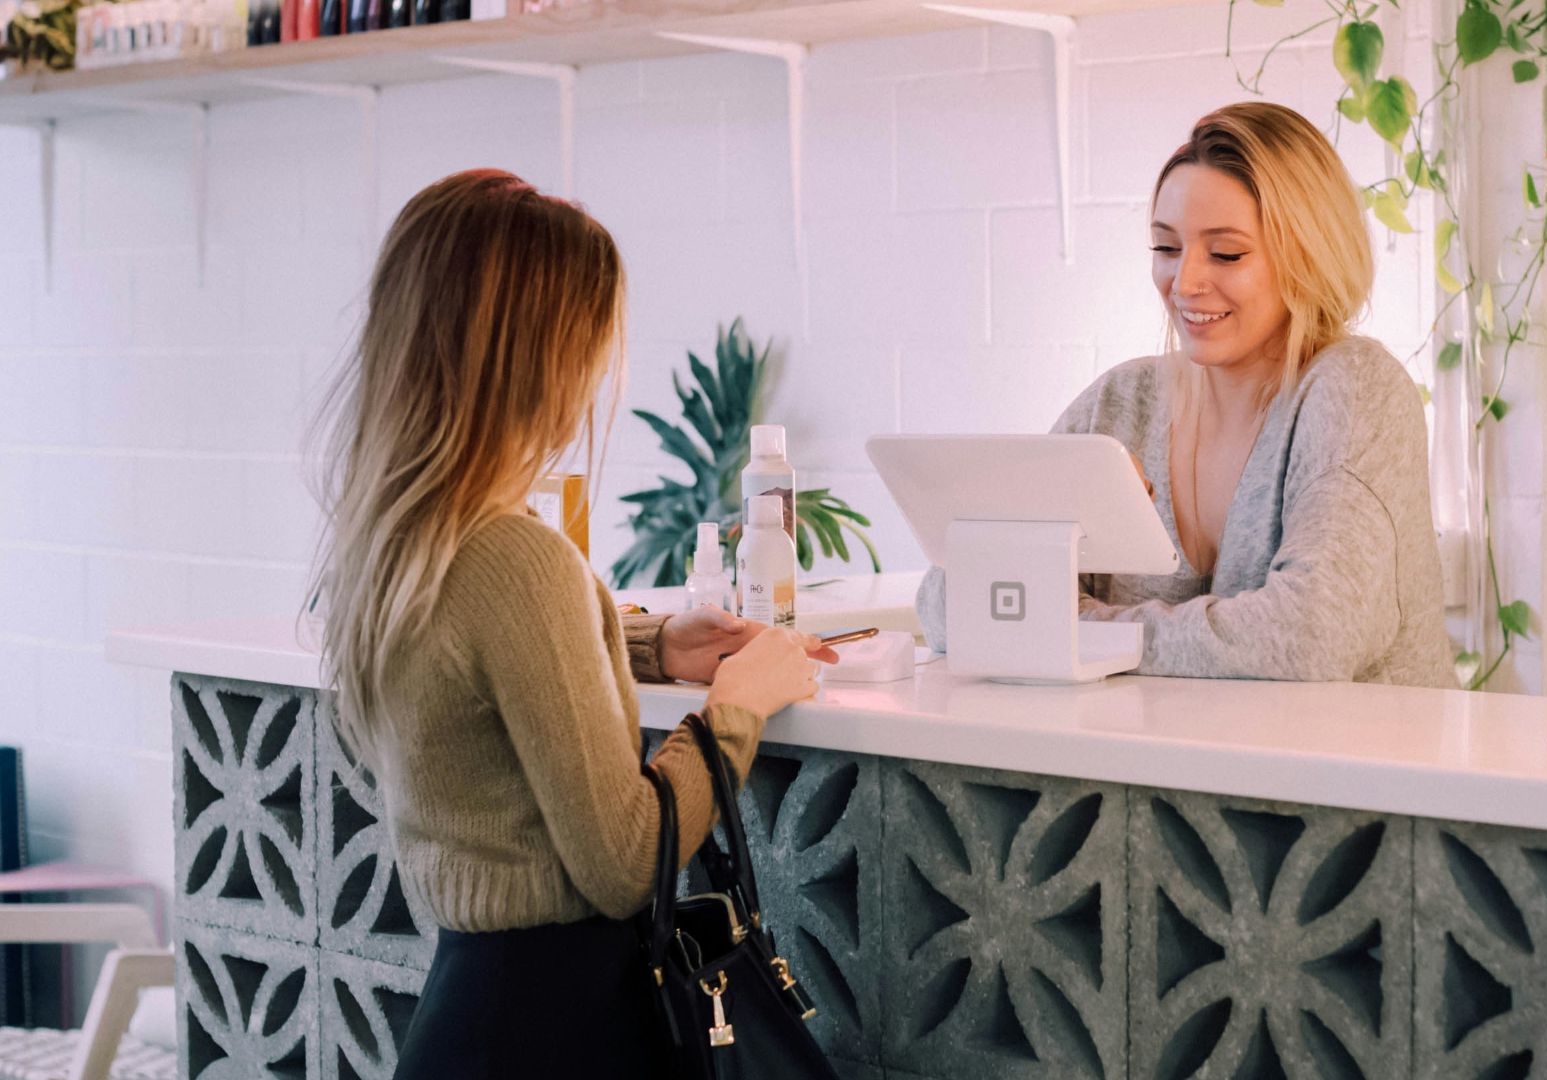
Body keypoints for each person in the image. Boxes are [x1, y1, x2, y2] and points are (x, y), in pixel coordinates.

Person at [311, 169, 835, 1078]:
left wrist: (646, 645)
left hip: (464, 1016)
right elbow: (628, 859)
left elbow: (474, 663)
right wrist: (738, 706)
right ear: (538, 356)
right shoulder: (516, 558)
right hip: (563, 1028)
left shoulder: (392, 540)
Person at [918, 103, 1453, 687]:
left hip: (1347, 773)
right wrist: (1055, 541)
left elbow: (1309, 637)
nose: (1185, 281)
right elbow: (948, 606)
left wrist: (1083, 632)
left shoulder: (1354, 390)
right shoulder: (1123, 404)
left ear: (1310, 254)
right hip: (1167, 771)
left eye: (1226, 253)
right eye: (1166, 248)